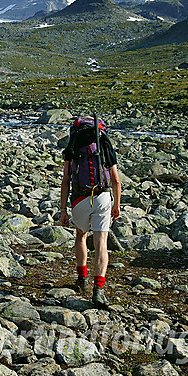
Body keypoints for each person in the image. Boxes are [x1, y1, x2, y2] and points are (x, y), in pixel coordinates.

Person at [59, 118, 122, 310]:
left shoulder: (73, 146)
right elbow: (116, 181)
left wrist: (63, 210)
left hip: (80, 199)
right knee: (101, 242)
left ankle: (82, 278)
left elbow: (66, 181)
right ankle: (99, 290)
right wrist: (117, 205)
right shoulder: (104, 144)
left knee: (81, 235)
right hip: (102, 196)